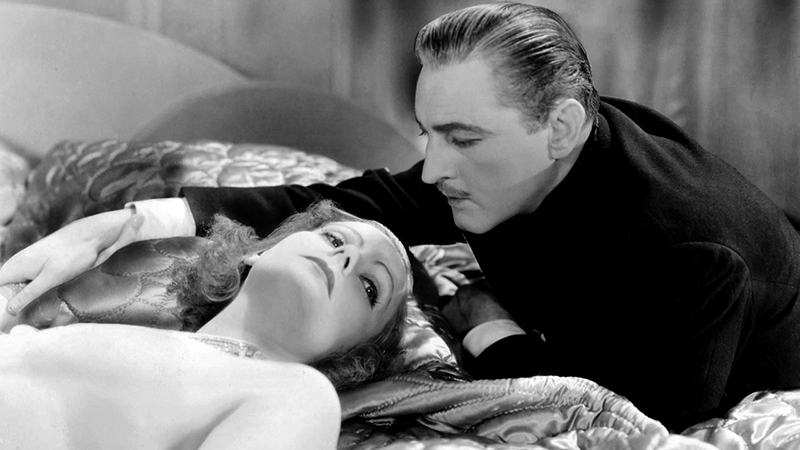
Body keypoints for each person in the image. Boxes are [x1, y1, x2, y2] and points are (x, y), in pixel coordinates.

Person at [1, 2, 799, 432]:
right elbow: (357, 199)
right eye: (428, 133)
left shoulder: (689, 250)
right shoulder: (515, 152)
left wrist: (488, 326)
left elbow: (638, 410)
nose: (435, 168)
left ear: (561, 128)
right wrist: (120, 223)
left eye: (462, 138)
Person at [0, 200, 412, 449]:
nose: (347, 258)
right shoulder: (137, 337)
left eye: (370, 286)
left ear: (357, 355)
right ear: (260, 251)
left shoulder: (304, 396)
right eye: (335, 239)